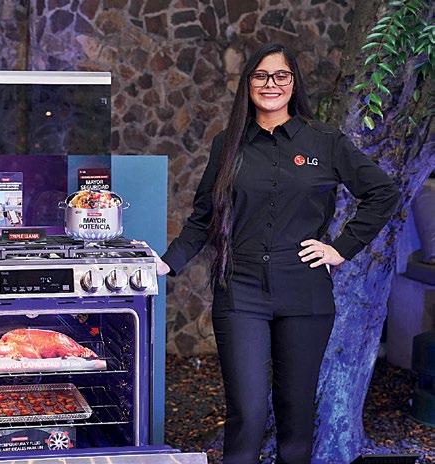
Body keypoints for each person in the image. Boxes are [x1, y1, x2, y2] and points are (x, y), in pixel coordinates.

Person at [155, 43, 399, 463]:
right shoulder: (227, 144)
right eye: (261, 75)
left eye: (281, 75)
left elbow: (383, 193)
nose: (271, 84)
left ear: (293, 83)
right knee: (248, 413)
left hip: (304, 291)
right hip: (241, 290)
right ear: (248, 83)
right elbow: (204, 216)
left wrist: (341, 248)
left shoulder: (325, 141)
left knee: (296, 417)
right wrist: (166, 262)